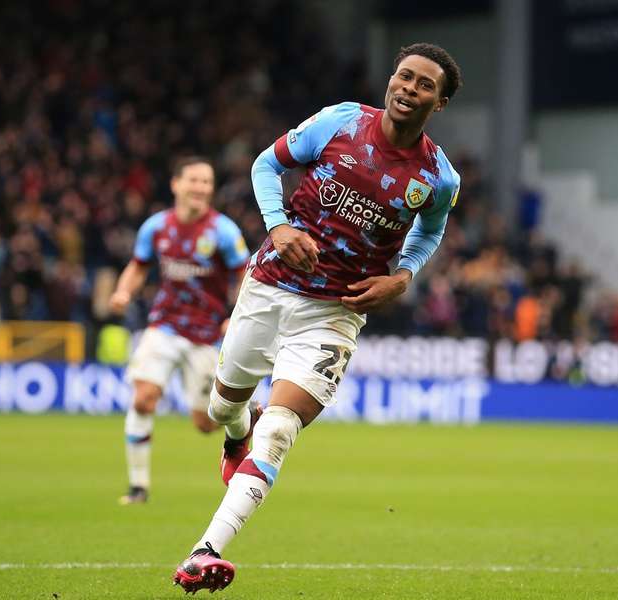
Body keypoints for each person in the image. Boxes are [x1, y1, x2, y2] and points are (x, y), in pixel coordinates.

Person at [173, 43, 463, 593]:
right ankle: (235, 440)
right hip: (269, 286)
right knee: (223, 404)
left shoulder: (438, 177)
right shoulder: (340, 122)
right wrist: (279, 225)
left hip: (334, 312)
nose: (409, 89)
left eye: (425, 85)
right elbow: (267, 164)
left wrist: (404, 275)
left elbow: (429, 231)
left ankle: (204, 551)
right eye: (404, 77)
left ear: (440, 102)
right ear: (392, 80)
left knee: (279, 428)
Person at [109, 156, 251, 505]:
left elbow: (245, 275)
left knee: (206, 423)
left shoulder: (223, 231)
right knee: (143, 398)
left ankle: (249, 419)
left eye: (206, 182)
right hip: (164, 326)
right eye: (194, 180)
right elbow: (138, 266)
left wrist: (237, 314)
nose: (201, 188)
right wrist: (123, 291)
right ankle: (138, 487)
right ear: (176, 185)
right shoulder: (156, 227)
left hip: (205, 335)